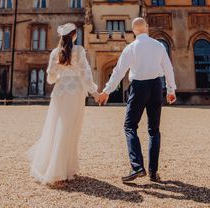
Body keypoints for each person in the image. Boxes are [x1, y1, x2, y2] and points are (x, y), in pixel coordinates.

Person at [98, 17, 177, 183]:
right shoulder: (159, 46)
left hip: (139, 87)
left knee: (129, 126)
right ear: (147, 28)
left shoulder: (130, 48)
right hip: (156, 86)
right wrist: (170, 90)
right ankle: (153, 173)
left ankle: (137, 166)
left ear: (133, 31)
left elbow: (119, 72)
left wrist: (106, 91)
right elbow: (168, 68)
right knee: (154, 130)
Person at [28, 23, 99, 184]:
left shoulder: (55, 52)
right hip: (75, 93)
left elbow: (51, 78)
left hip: (60, 92)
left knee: (56, 127)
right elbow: (85, 73)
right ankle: (61, 170)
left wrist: (61, 77)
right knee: (70, 129)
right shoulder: (79, 50)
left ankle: (58, 167)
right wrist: (94, 92)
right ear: (74, 35)